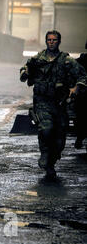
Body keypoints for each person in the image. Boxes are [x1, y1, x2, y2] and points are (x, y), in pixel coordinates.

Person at [20, 31, 87, 179]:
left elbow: (82, 75)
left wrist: (75, 88)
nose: (51, 42)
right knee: (46, 128)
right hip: (42, 102)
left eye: (54, 40)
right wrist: (26, 73)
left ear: (59, 42)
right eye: (49, 40)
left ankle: (51, 163)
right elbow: (24, 71)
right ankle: (44, 154)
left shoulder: (66, 60)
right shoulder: (38, 59)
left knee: (59, 141)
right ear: (46, 41)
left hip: (59, 104)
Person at [74, 41, 87, 150]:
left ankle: (80, 137)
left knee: (80, 118)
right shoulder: (82, 60)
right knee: (80, 118)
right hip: (83, 94)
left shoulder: (82, 60)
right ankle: (80, 137)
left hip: (83, 95)